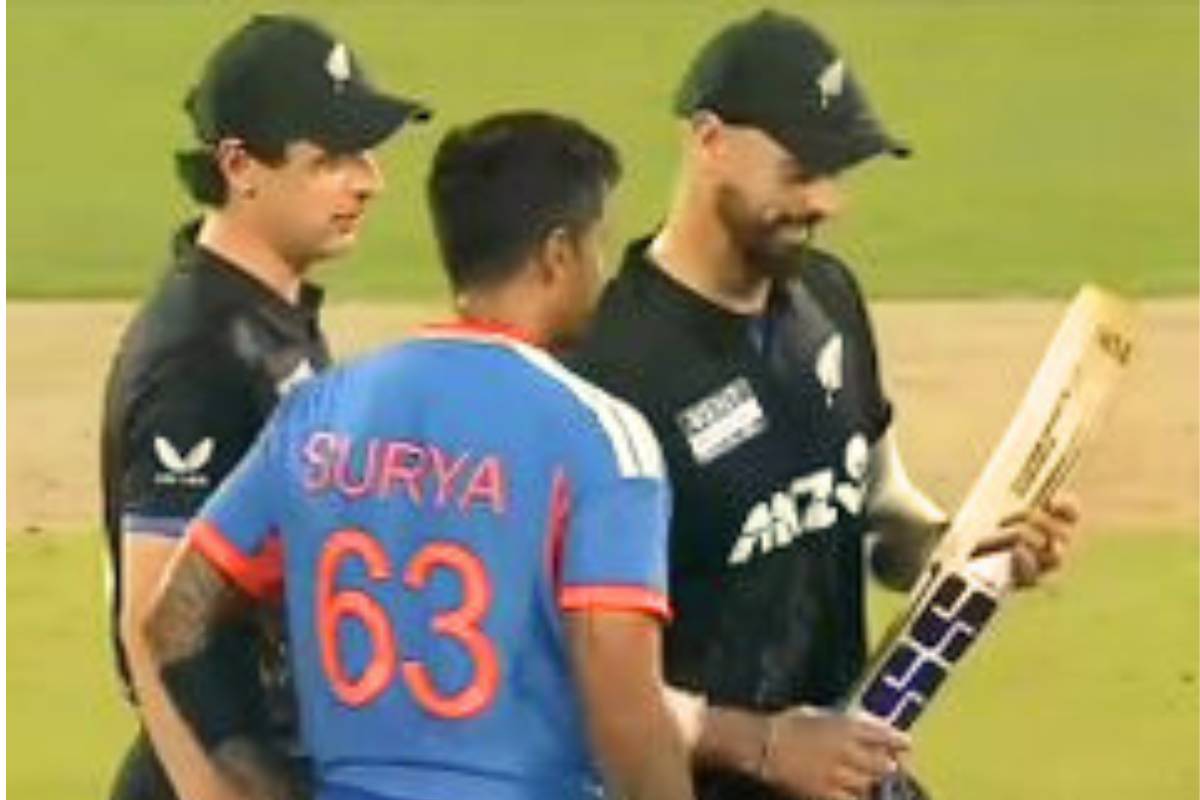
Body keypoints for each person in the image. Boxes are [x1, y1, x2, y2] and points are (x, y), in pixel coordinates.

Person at [570, 10, 1081, 800]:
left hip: (850, 776)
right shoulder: (611, 364)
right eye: (800, 171)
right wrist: (767, 747)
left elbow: (879, 513)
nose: (826, 201)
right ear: (710, 141)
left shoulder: (829, 300)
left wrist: (968, 551)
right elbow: (578, 671)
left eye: (837, 172)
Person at [141, 111, 695, 800]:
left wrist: (255, 773)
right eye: (597, 244)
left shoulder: (320, 411)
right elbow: (626, 712)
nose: (604, 272)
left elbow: (176, 617)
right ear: (558, 253)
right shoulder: (599, 437)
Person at [100, 14, 430, 800]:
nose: (369, 181)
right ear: (240, 165)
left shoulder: (266, 315)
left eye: (366, 154)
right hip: (221, 768)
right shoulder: (200, 355)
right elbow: (154, 625)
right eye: (332, 160)